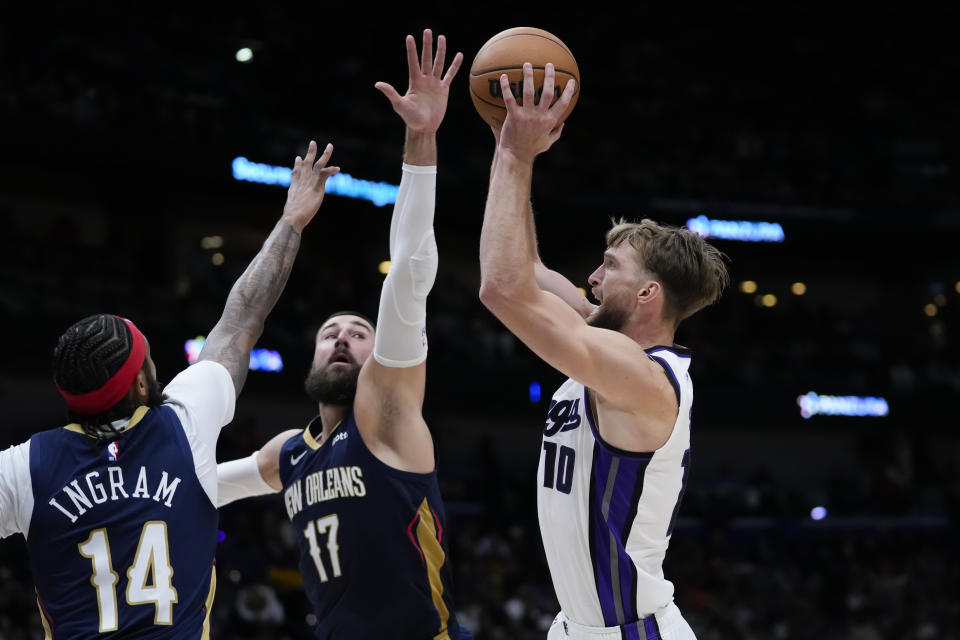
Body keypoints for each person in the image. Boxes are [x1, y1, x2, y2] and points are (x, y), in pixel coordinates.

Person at [0, 140, 339, 637]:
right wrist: (292, 220)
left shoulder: (23, 468)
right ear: (141, 381)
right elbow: (242, 318)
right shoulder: (184, 420)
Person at [216, 29, 471, 640]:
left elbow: (409, 273)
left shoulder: (386, 413)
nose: (341, 339)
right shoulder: (291, 453)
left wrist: (421, 139)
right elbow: (196, 486)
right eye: (331, 332)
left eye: (359, 334)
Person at [478, 63, 729, 640]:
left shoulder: (640, 377)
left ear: (648, 294)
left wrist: (517, 159)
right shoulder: (602, 338)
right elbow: (530, 268)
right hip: (576, 628)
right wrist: (506, 148)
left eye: (609, 267)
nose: (591, 278)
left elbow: (501, 287)